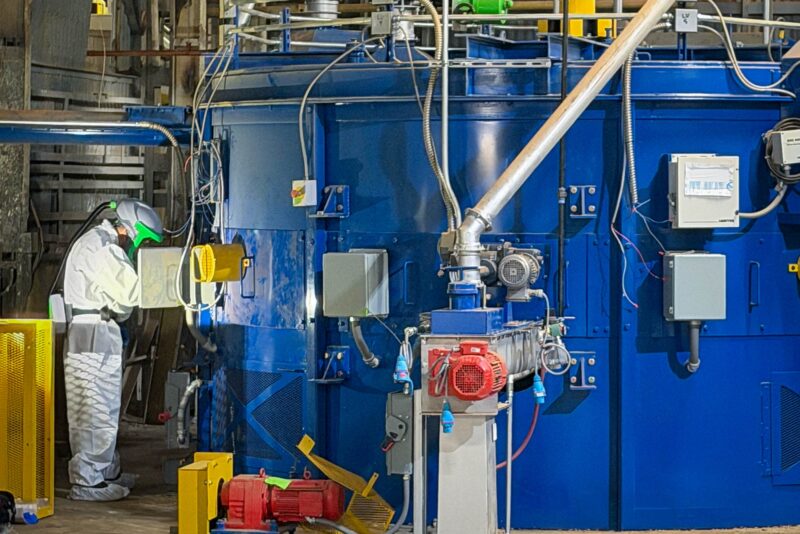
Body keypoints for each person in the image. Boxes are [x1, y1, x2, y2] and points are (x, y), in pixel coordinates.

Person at [62, 199, 163, 501]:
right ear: (130, 229)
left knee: (104, 408)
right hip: (91, 331)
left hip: (97, 329)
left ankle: (106, 472)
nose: (137, 246)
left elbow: (122, 304)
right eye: (140, 239)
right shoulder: (102, 247)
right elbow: (130, 294)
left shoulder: (102, 244)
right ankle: (88, 483)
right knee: (93, 410)